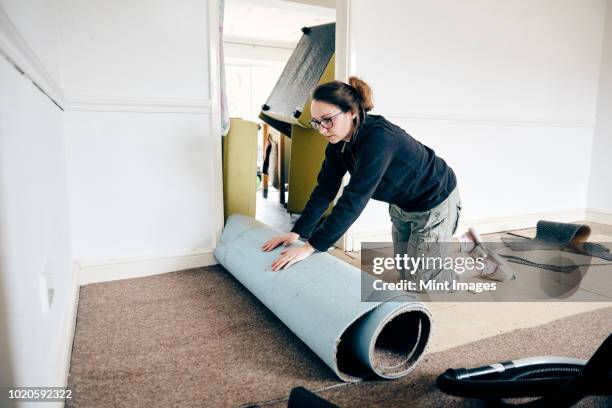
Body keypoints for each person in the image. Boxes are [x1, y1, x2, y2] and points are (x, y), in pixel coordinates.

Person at [261, 77, 515, 285]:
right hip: (402, 204)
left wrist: (312, 246)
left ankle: (483, 261)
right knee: (407, 273)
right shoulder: (338, 144)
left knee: (426, 280)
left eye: (328, 119)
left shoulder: (379, 139)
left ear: (351, 112)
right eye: (317, 123)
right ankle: (463, 242)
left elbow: (354, 197)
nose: (323, 129)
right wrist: (298, 232)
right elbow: (325, 190)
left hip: (434, 200)